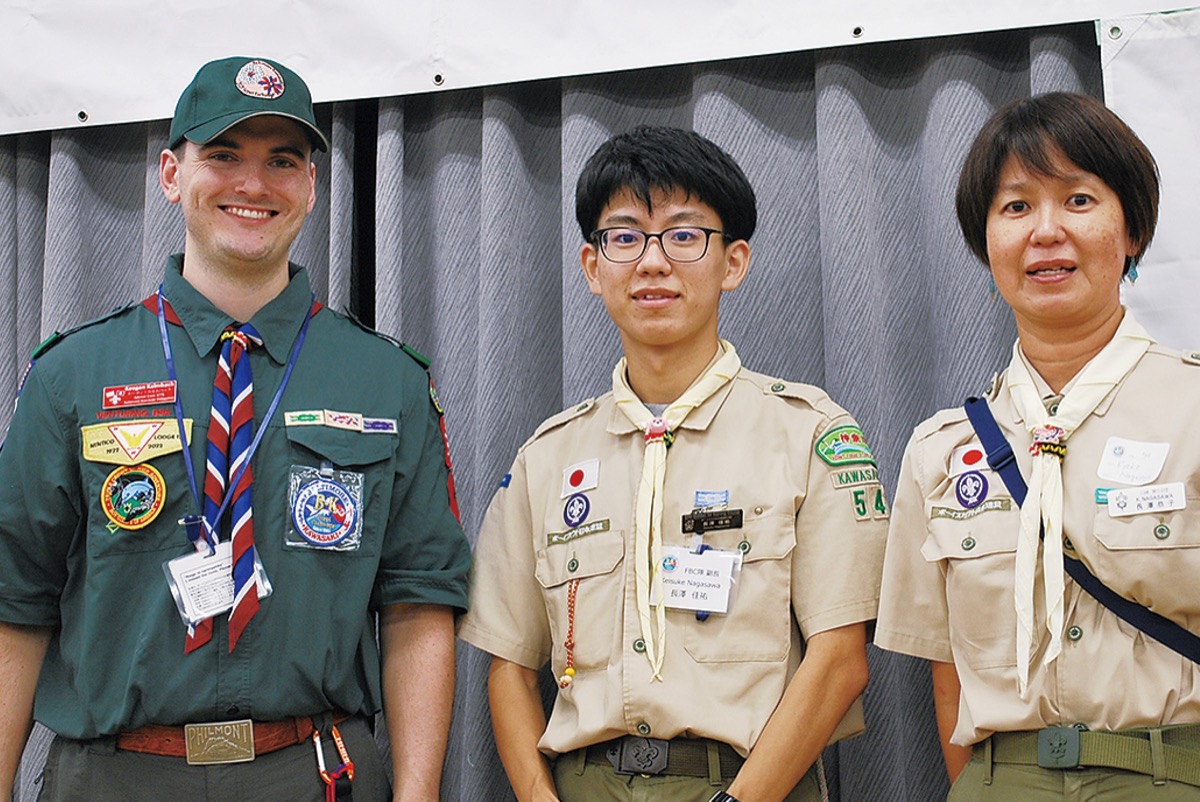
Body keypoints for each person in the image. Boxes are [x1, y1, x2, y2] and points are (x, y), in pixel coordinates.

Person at [0, 56, 470, 802]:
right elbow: (13, 603)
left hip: (314, 772)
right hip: (116, 775)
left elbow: (417, 605)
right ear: (170, 173)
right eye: (223, 155)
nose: (254, 184)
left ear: (312, 187)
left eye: (282, 161)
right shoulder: (73, 376)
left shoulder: (389, 383)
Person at [457, 126, 888, 802]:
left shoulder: (807, 433)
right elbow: (507, 668)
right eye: (625, 237)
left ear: (734, 261)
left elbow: (840, 662)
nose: (652, 262)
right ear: (593, 266)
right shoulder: (547, 458)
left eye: (684, 236)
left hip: (747, 785)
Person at [876, 92, 1200, 799]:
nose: (1046, 231)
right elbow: (947, 673)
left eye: (1079, 200)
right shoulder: (939, 449)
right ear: (985, 240)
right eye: (1016, 207)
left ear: (1133, 231)